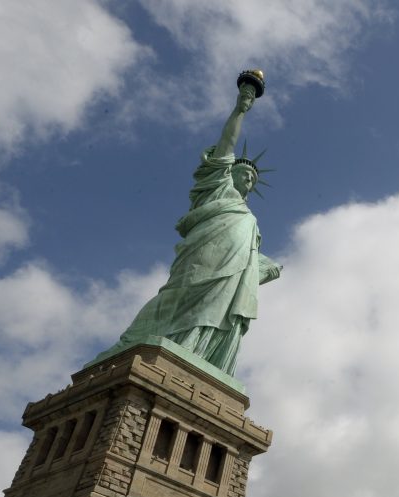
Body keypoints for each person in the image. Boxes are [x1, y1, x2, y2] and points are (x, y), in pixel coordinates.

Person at [93, 71, 283, 377]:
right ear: (229, 172)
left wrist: (262, 267)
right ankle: (145, 344)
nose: (248, 180)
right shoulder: (217, 186)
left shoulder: (250, 219)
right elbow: (227, 142)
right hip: (203, 257)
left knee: (221, 311)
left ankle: (202, 356)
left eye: (252, 179)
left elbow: (250, 260)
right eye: (244, 174)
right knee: (178, 296)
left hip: (231, 272)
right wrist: (241, 108)